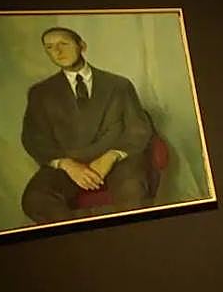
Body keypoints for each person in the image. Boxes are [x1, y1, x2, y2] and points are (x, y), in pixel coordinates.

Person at [21, 26, 154, 223]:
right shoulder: (40, 93)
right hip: (69, 164)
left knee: (132, 188)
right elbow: (34, 138)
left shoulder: (118, 85)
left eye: (63, 44)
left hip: (117, 159)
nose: (57, 52)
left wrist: (111, 156)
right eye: (50, 47)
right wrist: (67, 165)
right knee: (35, 199)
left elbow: (139, 128)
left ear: (82, 46)